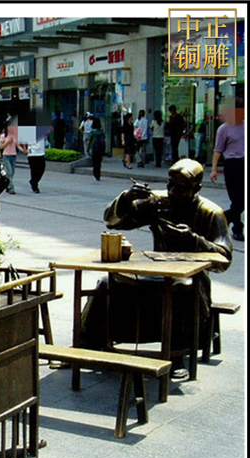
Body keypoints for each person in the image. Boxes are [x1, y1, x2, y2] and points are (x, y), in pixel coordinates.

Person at [80, 159, 232, 379]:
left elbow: (225, 258)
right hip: (156, 270)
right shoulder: (158, 203)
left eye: (181, 188)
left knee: (180, 289)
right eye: (170, 184)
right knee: (107, 284)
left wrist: (194, 240)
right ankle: (86, 344)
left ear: (197, 188)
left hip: (192, 278)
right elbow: (113, 222)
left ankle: (176, 356)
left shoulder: (211, 213)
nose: (172, 191)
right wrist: (126, 198)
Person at [211, 97, 245, 241]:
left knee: (242, 200)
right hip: (232, 165)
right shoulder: (223, 129)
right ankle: (237, 228)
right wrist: (213, 169)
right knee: (237, 199)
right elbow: (218, 150)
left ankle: (224, 218)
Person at [0, 123, 18, 194]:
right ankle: (11, 188)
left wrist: (24, 150)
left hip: (13, 155)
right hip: (6, 155)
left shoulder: (15, 136)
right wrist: (7, 143)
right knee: (10, 172)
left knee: (12, 172)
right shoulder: (3, 136)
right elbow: (1, 146)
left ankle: (7, 184)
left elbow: (18, 146)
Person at [87, 117, 106, 182]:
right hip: (100, 149)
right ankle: (98, 175)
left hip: (94, 149)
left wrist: (88, 148)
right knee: (99, 162)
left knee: (95, 163)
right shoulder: (102, 132)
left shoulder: (92, 132)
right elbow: (105, 140)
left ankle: (95, 174)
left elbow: (89, 141)